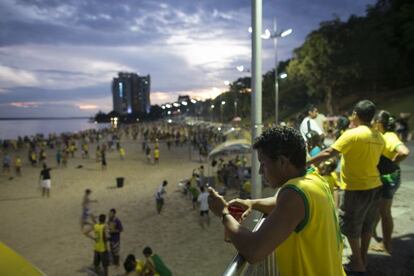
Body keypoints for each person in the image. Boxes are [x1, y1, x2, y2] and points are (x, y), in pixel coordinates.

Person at [208, 126, 345, 276]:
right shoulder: (313, 179)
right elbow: (281, 206)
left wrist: (223, 214)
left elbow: (254, 251)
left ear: (282, 161)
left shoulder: (294, 193)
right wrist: (252, 203)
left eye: (263, 163)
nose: (260, 171)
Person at [307, 100, 385, 274]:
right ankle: (362, 258)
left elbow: (329, 152)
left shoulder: (353, 134)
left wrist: (306, 162)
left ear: (356, 115)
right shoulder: (378, 136)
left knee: (350, 226)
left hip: (356, 188)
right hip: (375, 186)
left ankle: (357, 263)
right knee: (367, 225)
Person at [372, 110, 410, 254]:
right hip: (386, 177)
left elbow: (404, 152)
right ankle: (373, 232)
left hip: (388, 178)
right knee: (378, 208)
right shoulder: (383, 136)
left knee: (385, 212)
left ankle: (386, 245)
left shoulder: (389, 137)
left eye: (373, 122)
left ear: (378, 124)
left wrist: (393, 163)